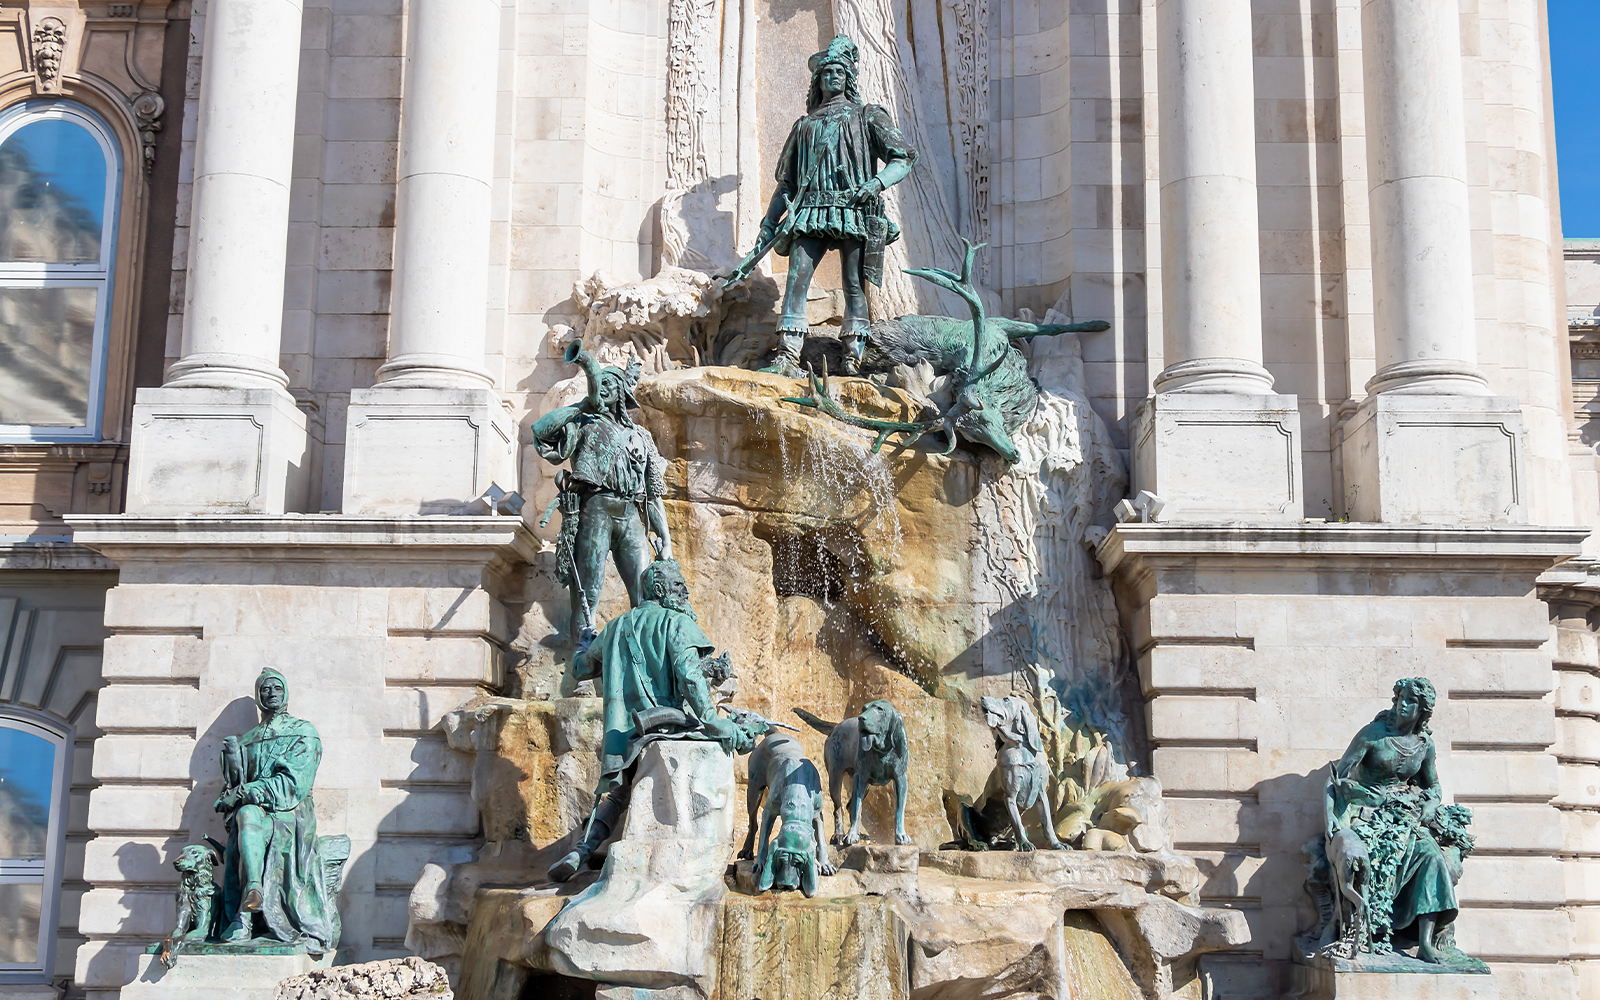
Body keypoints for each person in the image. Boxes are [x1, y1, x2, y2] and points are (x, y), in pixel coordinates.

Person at [548, 560, 753, 881]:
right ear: (658, 590)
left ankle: (581, 851)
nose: (685, 592)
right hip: (669, 726)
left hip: (624, 738)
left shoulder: (616, 626)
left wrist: (585, 642)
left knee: (619, 794)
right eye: (678, 586)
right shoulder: (677, 624)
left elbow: (581, 669)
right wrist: (714, 722)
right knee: (737, 735)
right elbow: (689, 677)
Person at [759, 34, 918, 377]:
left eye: (840, 71)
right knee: (797, 280)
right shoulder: (804, 126)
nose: (833, 76)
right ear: (818, 81)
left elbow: (903, 157)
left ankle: (853, 355)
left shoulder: (867, 116)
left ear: (849, 78)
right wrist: (768, 223)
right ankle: (787, 354)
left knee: (853, 284)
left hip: (854, 208)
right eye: (827, 72)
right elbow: (786, 182)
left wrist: (876, 183)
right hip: (811, 210)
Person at [533, 341, 673, 645]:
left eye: (610, 384)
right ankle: (583, 665)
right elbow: (540, 432)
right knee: (587, 593)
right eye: (601, 383)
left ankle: (642, 665)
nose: (603, 388)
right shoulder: (582, 423)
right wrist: (582, 406)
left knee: (645, 593)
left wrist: (666, 541)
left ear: (622, 393)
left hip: (631, 515)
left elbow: (654, 493)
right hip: (594, 508)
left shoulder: (641, 437)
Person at [1325, 677, 1466, 963]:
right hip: (1367, 815)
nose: (1403, 705)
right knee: (1373, 858)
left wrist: (1430, 804)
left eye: (1411, 701)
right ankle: (1366, 929)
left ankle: (1425, 942)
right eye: (1400, 698)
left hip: (1406, 817)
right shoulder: (1373, 734)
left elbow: (1434, 786)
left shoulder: (1425, 745)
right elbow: (1339, 777)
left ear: (1423, 710)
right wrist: (1346, 805)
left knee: (1433, 859)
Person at [214, 669, 340, 951]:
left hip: (290, 812)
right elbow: (233, 790)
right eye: (265, 689)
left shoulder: (303, 732)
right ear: (259, 696)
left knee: (249, 814)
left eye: (277, 688)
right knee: (246, 814)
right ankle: (253, 891)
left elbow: (293, 783)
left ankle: (245, 916)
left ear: (285, 693)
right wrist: (233, 764)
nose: (271, 693)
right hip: (254, 812)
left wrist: (245, 792)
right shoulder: (247, 739)